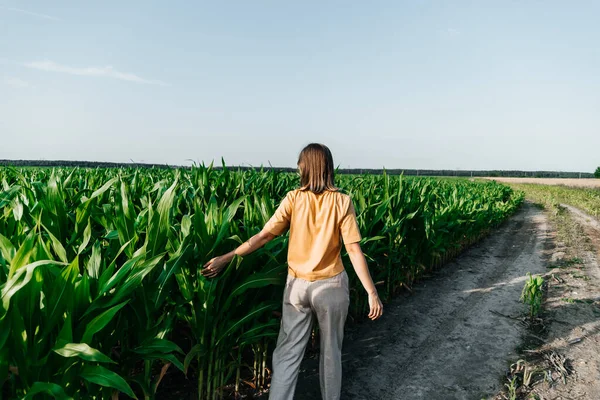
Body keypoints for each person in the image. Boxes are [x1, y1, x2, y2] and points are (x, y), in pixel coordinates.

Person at [202, 143, 383, 400]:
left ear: (306, 167)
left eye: (300, 162)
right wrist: (371, 292)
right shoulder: (342, 201)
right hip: (331, 286)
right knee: (331, 353)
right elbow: (353, 250)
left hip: (297, 287)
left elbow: (263, 237)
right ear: (328, 167)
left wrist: (226, 258)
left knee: (287, 353)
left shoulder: (293, 199)